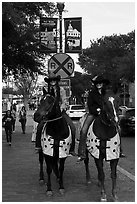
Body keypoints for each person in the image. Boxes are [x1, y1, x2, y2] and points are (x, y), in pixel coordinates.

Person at [35, 73, 76, 156]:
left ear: (56, 81)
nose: (52, 82)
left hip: (60, 112)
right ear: (49, 81)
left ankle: (71, 149)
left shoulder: (61, 90)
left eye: (54, 80)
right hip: (49, 113)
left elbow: (64, 101)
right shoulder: (46, 89)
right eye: (51, 80)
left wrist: (61, 108)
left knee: (72, 127)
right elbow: (43, 101)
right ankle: (38, 146)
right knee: (40, 127)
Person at [77, 75, 110, 161]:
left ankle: (119, 150)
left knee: (117, 127)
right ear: (95, 84)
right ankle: (82, 152)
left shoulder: (106, 93)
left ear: (103, 84)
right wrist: (97, 111)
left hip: (105, 113)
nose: (99, 84)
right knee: (84, 130)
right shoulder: (92, 93)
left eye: (100, 83)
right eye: (97, 83)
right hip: (94, 114)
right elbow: (90, 105)